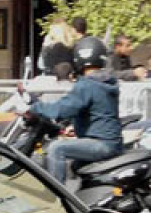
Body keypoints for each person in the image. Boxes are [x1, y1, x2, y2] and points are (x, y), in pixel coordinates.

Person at [29, 36, 123, 189]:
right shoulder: (105, 82)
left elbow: (63, 108)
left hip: (101, 143)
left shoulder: (87, 85)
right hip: (109, 141)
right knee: (75, 165)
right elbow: (95, 111)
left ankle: (57, 197)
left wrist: (35, 107)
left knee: (56, 148)